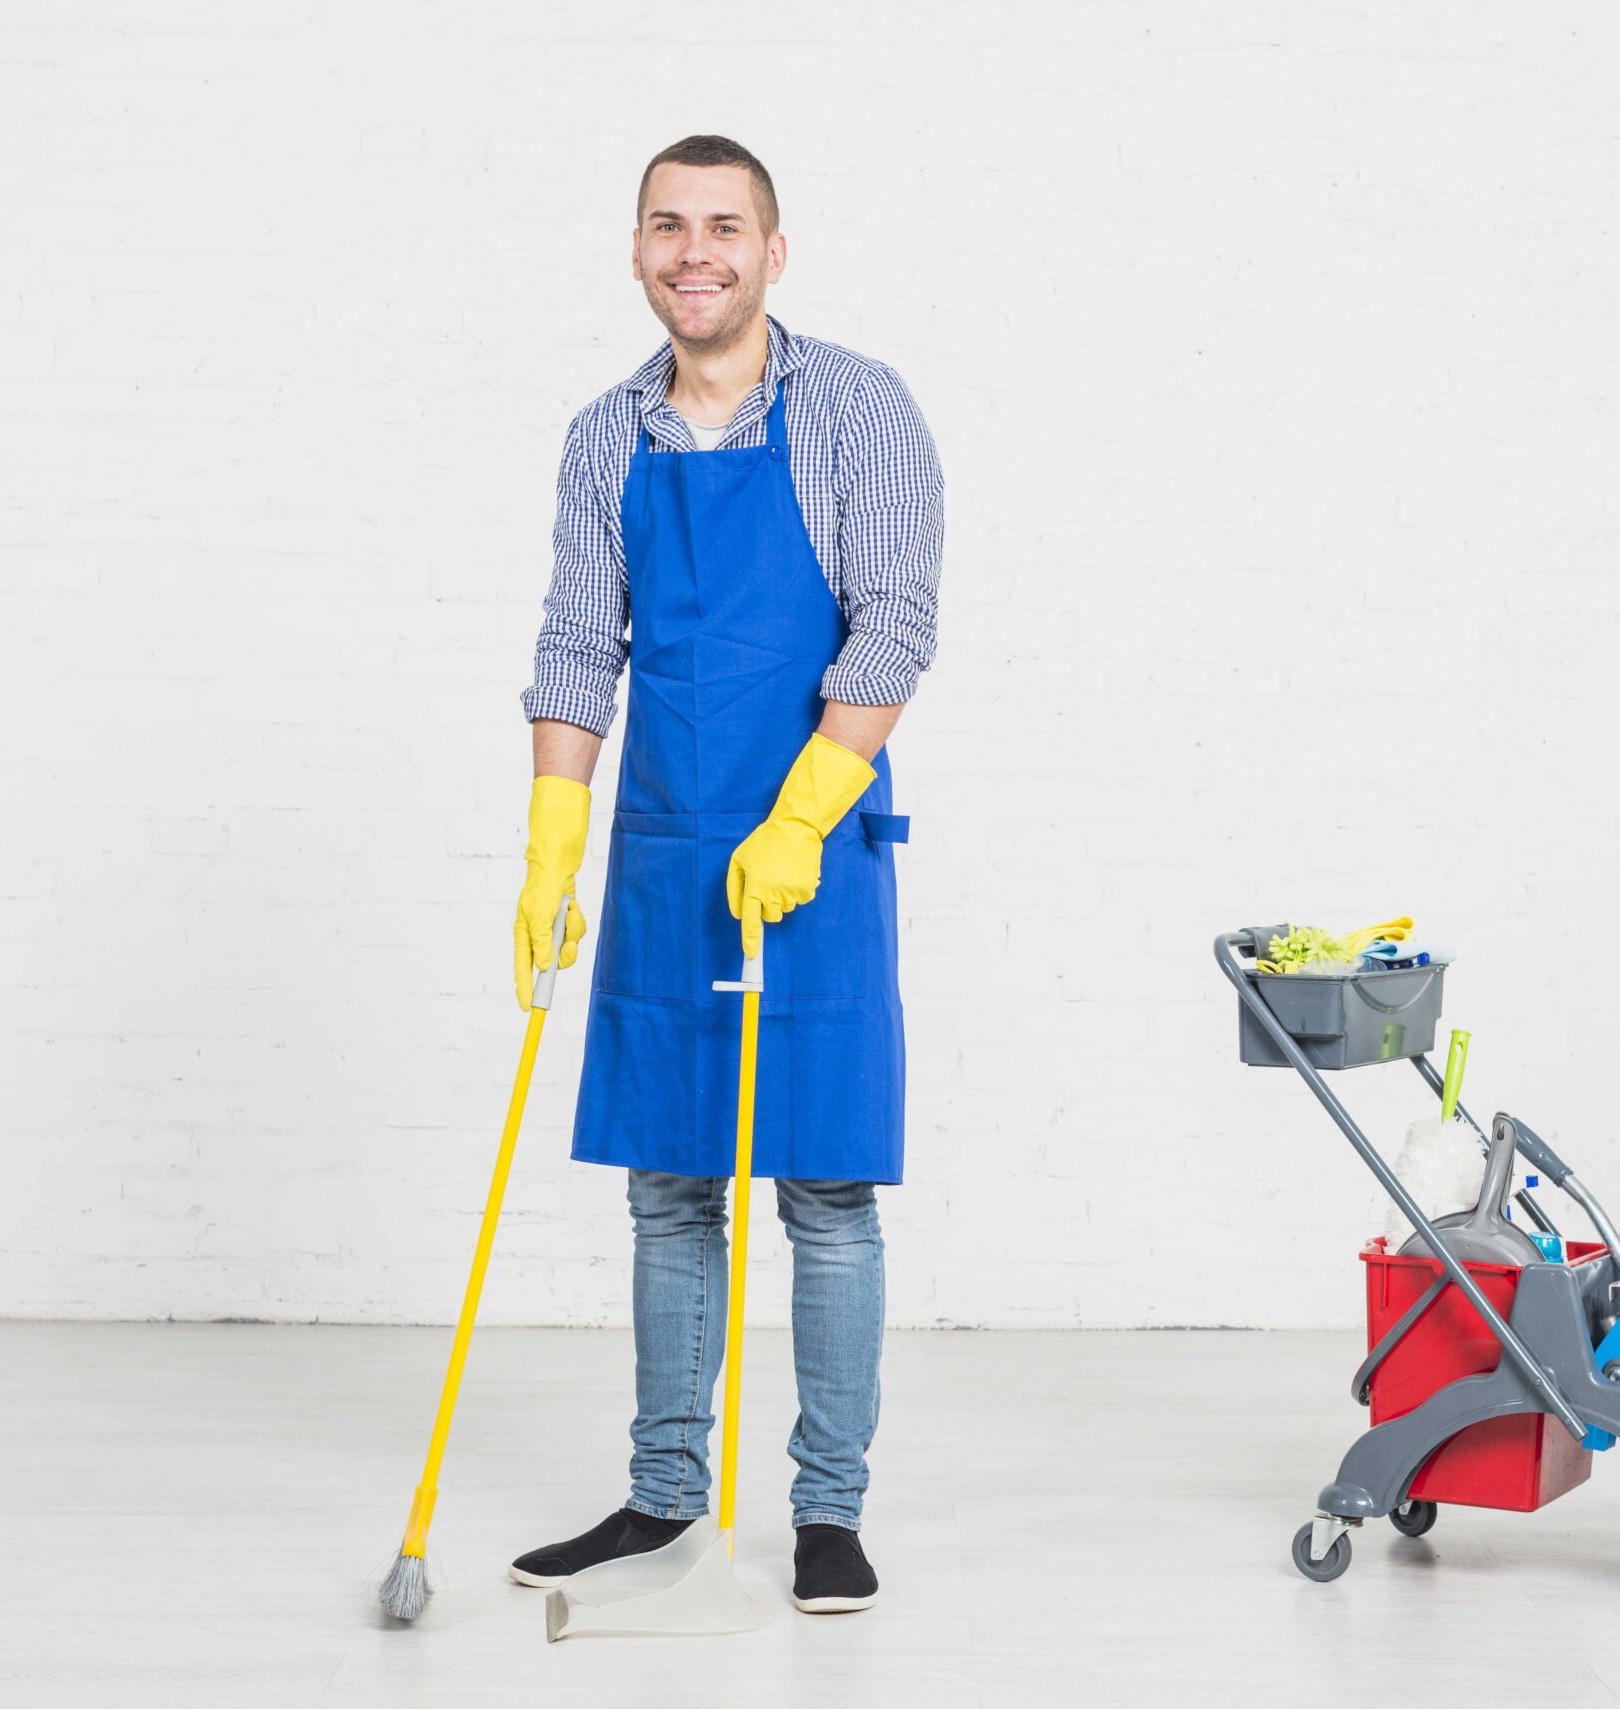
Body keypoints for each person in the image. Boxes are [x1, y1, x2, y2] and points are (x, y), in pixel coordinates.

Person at [504, 134, 942, 1615]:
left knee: (824, 1184)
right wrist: (553, 836)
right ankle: (663, 1494)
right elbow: (578, 646)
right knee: (671, 1183)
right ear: (637, 248)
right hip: (669, 843)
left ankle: (828, 1512)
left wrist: (809, 807)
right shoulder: (600, 435)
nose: (697, 251)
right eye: (668, 226)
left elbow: (891, 627)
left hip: (814, 852)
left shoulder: (858, 410)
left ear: (773, 249)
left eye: (725, 227)